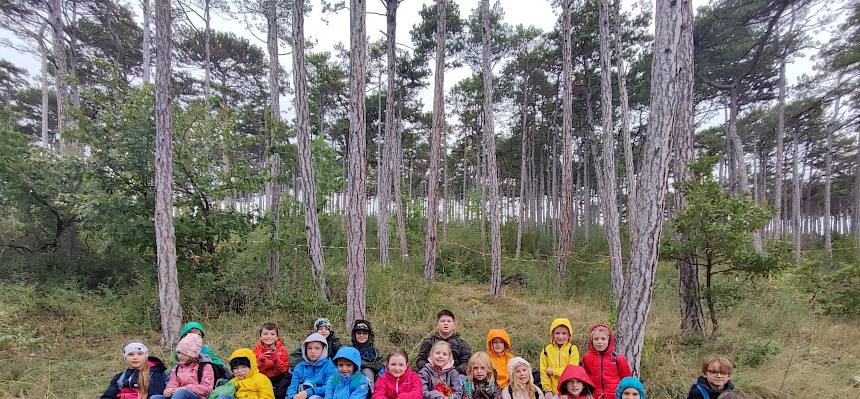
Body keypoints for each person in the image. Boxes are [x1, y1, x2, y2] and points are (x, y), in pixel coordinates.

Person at [152, 334, 214, 399]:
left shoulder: (205, 366)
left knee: (182, 392)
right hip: (177, 395)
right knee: (155, 397)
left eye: (184, 353)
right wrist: (168, 390)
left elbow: (207, 389)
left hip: (196, 396)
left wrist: (186, 388)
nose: (180, 356)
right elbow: (172, 383)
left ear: (192, 354)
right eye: (179, 352)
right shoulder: (176, 368)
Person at [579, 324, 631, 399]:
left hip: (615, 396)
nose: (600, 342)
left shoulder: (617, 358)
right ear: (591, 340)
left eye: (603, 339)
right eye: (596, 339)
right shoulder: (586, 358)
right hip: (594, 396)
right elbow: (584, 379)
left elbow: (627, 380)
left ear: (609, 340)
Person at [100, 342, 167, 399]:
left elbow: (155, 396)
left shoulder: (155, 375)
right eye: (130, 354)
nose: (135, 357)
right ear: (125, 358)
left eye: (140, 354)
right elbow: (108, 395)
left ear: (146, 356)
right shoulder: (120, 377)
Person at [416, 310, 473, 375]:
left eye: (449, 321)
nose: (446, 323)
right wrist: (431, 369)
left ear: (454, 325)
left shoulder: (461, 343)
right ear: (437, 324)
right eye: (442, 321)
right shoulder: (428, 341)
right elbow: (420, 360)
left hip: (456, 376)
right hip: (431, 374)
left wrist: (452, 371)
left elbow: (467, 363)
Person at [287, 333, 338, 399]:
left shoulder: (329, 367)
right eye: (309, 348)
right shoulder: (299, 367)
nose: (312, 351)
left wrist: (309, 392)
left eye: (317, 348)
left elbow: (330, 387)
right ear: (305, 349)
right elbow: (292, 387)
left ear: (323, 349)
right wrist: (292, 397)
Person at [539, 318, 580, 398]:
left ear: (569, 335)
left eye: (564, 333)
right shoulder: (546, 350)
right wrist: (547, 390)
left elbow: (572, 370)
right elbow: (543, 371)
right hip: (551, 392)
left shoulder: (572, 349)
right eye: (557, 333)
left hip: (569, 391)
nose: (560, 336)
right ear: (552, 334)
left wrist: (553, 371)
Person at [252, 322, 291, 398]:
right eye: (265, 334)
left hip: (278, 377)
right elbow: (252, 370)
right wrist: (261, 361)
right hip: (262, 377)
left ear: (277, 337)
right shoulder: (256, 351)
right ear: (260, 337)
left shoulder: (282, 350)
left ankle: (276, 396)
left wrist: (276, 360)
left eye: (272, 334)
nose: (269, 336)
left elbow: (284, 370)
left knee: (289, 377)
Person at [351, 320, 384, 391]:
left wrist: (363, 365)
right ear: (354, 335)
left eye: (365, 333)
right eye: (359, 333)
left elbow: (379, 366)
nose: (361, 336)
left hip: (370, 381)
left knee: (367, 371)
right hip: (351, 380)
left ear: (369, 335)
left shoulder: (374, 352)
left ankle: (372, 393)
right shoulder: (349, 350)